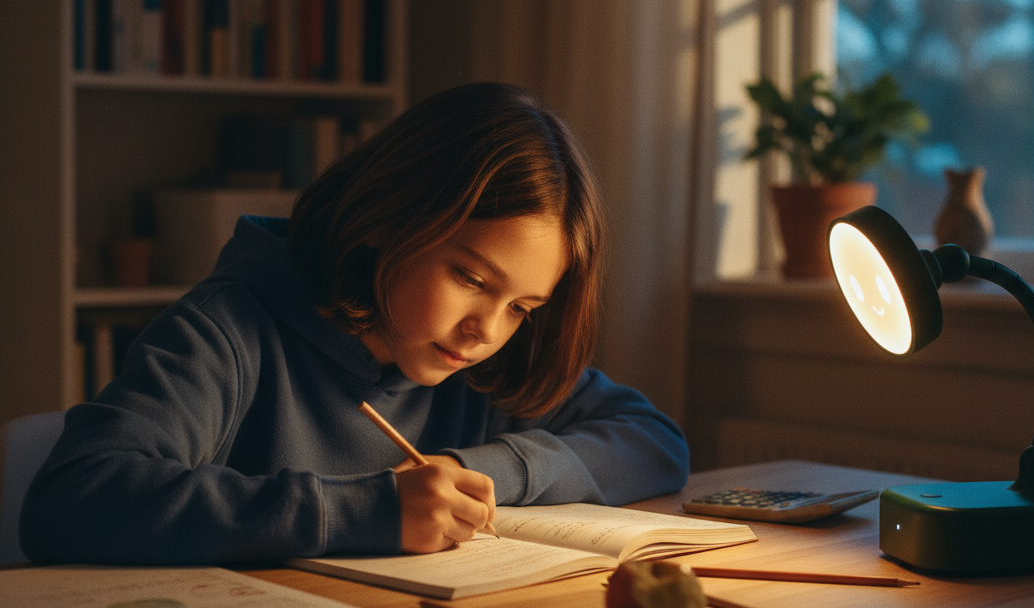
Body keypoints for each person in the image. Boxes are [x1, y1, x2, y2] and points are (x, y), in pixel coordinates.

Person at [20, 82, 689, 564]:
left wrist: (478, 470)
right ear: (388, 219)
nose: (485, 331)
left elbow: (655, 441)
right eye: (471, 280)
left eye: (521, 307)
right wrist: (368, 510)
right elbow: (73, 499)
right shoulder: (229, 331)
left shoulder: (483, 369)